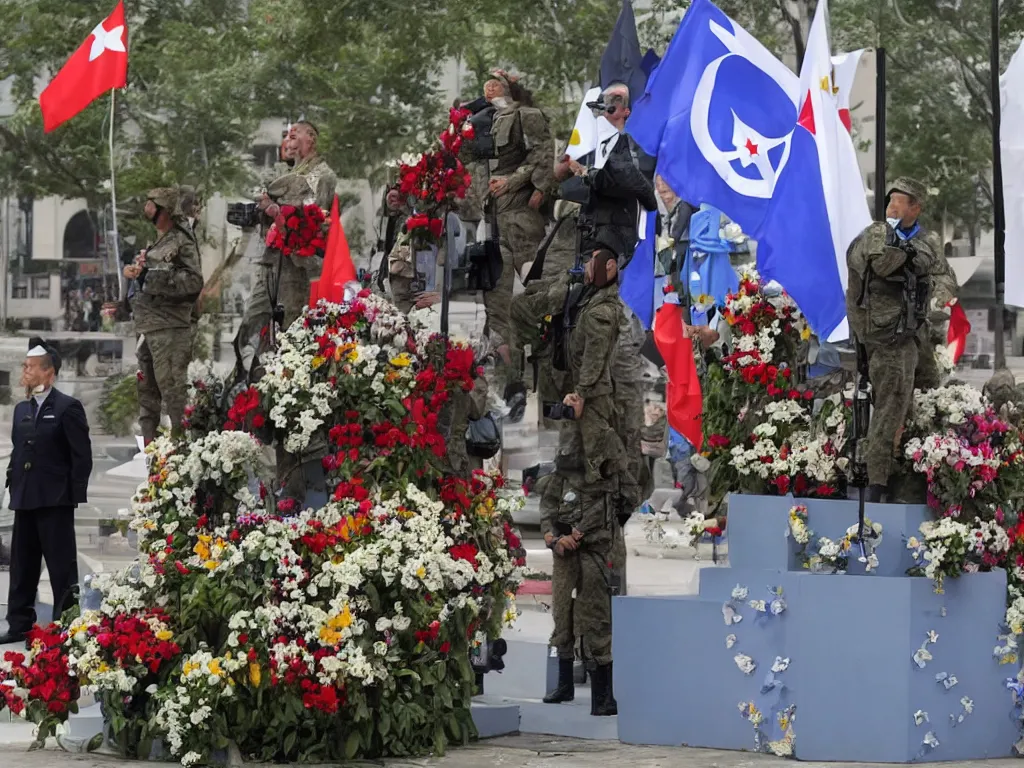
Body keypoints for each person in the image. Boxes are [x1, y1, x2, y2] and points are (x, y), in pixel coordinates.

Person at [541, 249, 625, 717]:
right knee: (560, 616)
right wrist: (554, 535)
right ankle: (561, 685)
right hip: (566, 546)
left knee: (595, 617)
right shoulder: (568, 453)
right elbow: (553, 493)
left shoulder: (604, 444)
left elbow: (611, 494)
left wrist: (580, 535)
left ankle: (602, 696)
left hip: (591, 545)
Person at [846, 177, 949, 502]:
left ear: (915, 207)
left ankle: (914, 475)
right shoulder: (876, 234)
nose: (892, 205)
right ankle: (877, 485)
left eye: (900, 200)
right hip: (888, 338)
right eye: (891, 199)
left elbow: (944, 278)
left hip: (917, 336)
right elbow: (880, 264)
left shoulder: (927, 239)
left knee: (928, 401)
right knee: (890, 408)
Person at [470, 71, 554, 406]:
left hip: (521, 218)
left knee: (537, 297)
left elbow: (544, 153)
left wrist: (524, 185)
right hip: (493, 223)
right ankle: (511, 387)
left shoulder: (526, 115)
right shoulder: (482, 121)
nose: (488, 87)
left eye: (496, 82)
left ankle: (546, 374)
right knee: (497, 307)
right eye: (486, 83)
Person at [0, 339, 92, 645]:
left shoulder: (68, 408)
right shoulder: (22, 409)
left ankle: (66, 626)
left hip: (55, 500)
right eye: (24, 366)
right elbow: (17, 450)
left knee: (61, 568)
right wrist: (11, 483)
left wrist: (73, 495)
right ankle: (19, 625)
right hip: (25, 497)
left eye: (30, 367)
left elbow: (82, 456)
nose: (25, 372)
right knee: (21, 566)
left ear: (48, 373)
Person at [237, 121, 338, 361]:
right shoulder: (285, 174)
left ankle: (284, 384)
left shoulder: (323, 176)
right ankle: (245, 380)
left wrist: (277, 212)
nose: (288, 141)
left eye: (294, 135)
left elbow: (315, 222)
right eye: (287, 137)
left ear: (311, 138)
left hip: (296, 266)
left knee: (290, 331)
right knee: (252, 320)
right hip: (272, 260)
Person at [124, 187, 204, 445]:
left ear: (164, 210)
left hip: (171, 328)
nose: (147, 208)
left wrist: (148, 276)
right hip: (149, 327)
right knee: (147, 392)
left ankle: (180, 448)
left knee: (173, 391)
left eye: (152, 203)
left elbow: (193, 282)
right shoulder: (160, 241)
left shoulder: (182, 240)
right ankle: (149, 450)